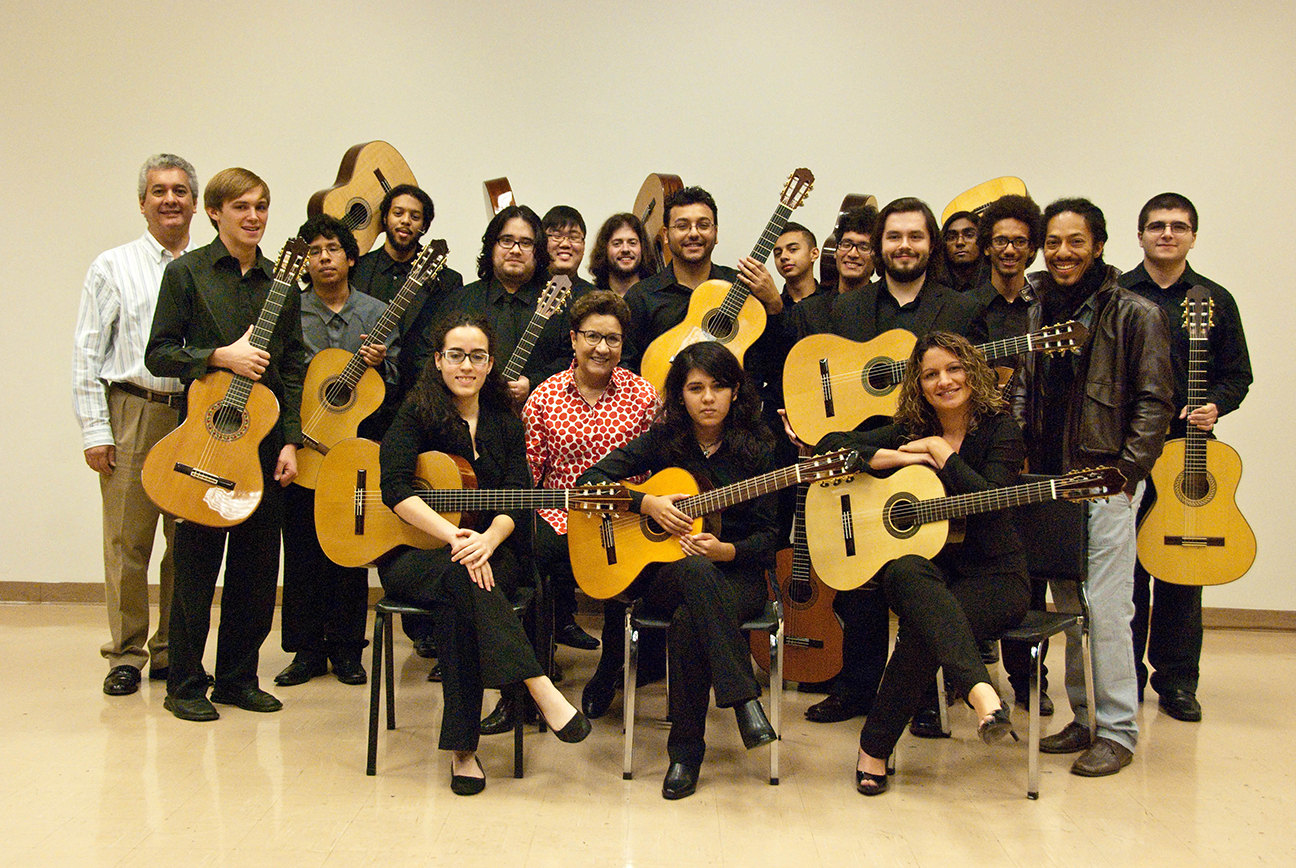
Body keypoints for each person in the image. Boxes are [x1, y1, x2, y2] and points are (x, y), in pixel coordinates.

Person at [377, 312, 590, 795]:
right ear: (438, 360)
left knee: (463, 591)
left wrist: (487, 539)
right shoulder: (415, 413)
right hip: (415, 553)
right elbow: (394, 488)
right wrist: (453, 538)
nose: (466, 365)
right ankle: (538, 685)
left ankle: (463, 751)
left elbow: (518, 493)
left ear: (491, 363)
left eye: (477, 356)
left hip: (493, 550)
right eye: (456, 355)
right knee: (463, 574)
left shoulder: (504, 421)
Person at [814, 332, 1029, 795]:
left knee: (922, 632)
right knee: (903, 570)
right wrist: (902, 453)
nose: (944, 381)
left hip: (995, 576)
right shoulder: (911, 429)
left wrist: (943, 454)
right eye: (931, 374)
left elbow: (988, 503)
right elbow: (830, 445)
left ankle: (874, 749)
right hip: (935, 577)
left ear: (972, 370)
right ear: (918, 383)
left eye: (953, 369)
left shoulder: (1001, 431)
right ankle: (982, 694)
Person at [801, 197, 984, 727]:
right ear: (880, 246)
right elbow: (825, 374)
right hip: (862, 455)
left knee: (921, 576)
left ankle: (922, 696)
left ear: (932, 243)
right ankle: (858, 689)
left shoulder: (962, 308)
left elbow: (971, 388)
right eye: (895, 237)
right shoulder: (849, 307)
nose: (905, 246)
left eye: (916, 236)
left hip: (934, 465)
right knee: (856, 579)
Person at [578, 341, 778, 800]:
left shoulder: (760, 449)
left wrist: (725, 550)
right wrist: (645, 502)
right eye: (695, 388)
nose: (708, 398)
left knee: (692, 616)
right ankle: (743, 698)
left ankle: (685, 755)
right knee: (692, 572)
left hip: (737, 573)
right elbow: (591, 484)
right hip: (665, 575)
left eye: (719, 387)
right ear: (680, 395)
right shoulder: (665, 440)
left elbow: (770, 539)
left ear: (735, 393)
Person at [1017, 198, 1174, 776]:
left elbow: (1158, 402)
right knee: (1072, 608)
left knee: (1109, 610)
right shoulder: (1038, 309)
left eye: (1075, 241)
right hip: (1051, 483)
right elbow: (1026, 388)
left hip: (1105, 481)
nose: (1062, 253)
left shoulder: (1137, 313)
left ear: (1100, 245)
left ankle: (1118, 731)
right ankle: (1083, 719)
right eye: (1053, 242)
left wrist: (1126, 477)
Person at [146, 167, 308, 722]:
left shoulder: (281, 283)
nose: (254, 216)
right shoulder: (187, 274)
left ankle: (238, 679)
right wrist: (218, 356)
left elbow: (291, 367)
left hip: (261, 445)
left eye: (262, 206)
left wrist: (291, 443)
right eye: (241, 207)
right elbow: (159, 353)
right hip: (203, 444)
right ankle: (185, 684)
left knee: (258, 569)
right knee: (194, 567)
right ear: (213, 212)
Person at [1119, 192, 1252, 722]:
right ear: (1141, 235)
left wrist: (1216, 403)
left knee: (1182, 565)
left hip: (1190, 450)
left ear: (1193, 235)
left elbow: (1237, 372)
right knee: (1123, 571)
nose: (1167, 234)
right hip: (1129, 448)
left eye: (1178, 226)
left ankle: (1177, 681)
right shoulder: (1117, 294)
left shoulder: (1215, 299)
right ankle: (1122, 678)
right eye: (1157, 226)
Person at [73, 153, 198, 696]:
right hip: (133, 411)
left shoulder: (208, 268)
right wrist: (96, 431)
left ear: (196, 203)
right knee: (128, 540)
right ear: (142, 202)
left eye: (179, 190)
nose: (169, 199)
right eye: (158, 191)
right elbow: (86, 354)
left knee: (185, 541)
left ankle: (172, 651)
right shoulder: (111, 266)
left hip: (196, 415)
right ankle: (125, 654)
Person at [517, 291, 659, 721]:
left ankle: (609, 669)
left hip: (626, 517)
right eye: (593, 337)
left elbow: (660, 465)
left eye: (613, 339)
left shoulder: (642, 395)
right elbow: (530, 473)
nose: (602, 348)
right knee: (528, 557)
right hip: (559, 514)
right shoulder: (544, 397)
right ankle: (533, 678)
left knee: (624, 567)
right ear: (574, 339)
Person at [276, 215, 398, 688]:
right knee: (303, 548)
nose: (323, 257)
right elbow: (280, 376)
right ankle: (305, 651)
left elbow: (396, 383)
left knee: (349, 547)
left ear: (351, 257)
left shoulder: (376, 312)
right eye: (314, 251)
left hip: (354, 450)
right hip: (302, 445)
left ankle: (349, 649)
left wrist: (380, 366)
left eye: (333, 248)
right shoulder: (289, 308)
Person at [968, 194, 1054, 714]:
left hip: (1032, 443)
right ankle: (970, 675)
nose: (1009, 249)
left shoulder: (1045, 309)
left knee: (1028, 561)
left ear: (1033, 248)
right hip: (973, 447)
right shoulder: (965, 302)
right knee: (974, 556)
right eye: (1001, 240)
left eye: (1020, 242)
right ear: (987, 246)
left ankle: (1027, 679)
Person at [622, 186, 781, 373]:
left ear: (716, 233)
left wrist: (775, 305)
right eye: (682, 226)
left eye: (703, 225)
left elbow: (775, 359)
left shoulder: (742, 287)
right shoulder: (641, 296)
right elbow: (624, 366)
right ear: (665, 235)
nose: (694, 233)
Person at [352, 183, 465, 439]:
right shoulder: (357, 270)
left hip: (419, 398)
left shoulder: (448, 281)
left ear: (424, 226)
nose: (406, 221)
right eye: (398, 213)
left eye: (415, 217)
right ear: (384, 218)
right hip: (361, 394)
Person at [456, 205, 579, 406]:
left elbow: (572, 359)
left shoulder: (559, 302)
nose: (515, 250)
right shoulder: (462, 300)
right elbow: (433, 355)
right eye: (506, 241)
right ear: (492, 246)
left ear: (538, 251)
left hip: (541, 417)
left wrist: (533, 383)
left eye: (526, 243)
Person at [588, 212, 655, 296]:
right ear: (604, 249)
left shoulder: (657, 297)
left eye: (632, 243)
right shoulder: (592, 298)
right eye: (617, 244)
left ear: (643, 248)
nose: (625, 249)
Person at [942, 210, 983, 293]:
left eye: (969, 235)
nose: (960, 242)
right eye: (951, 237)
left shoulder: (996, 283)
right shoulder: (935, 289)